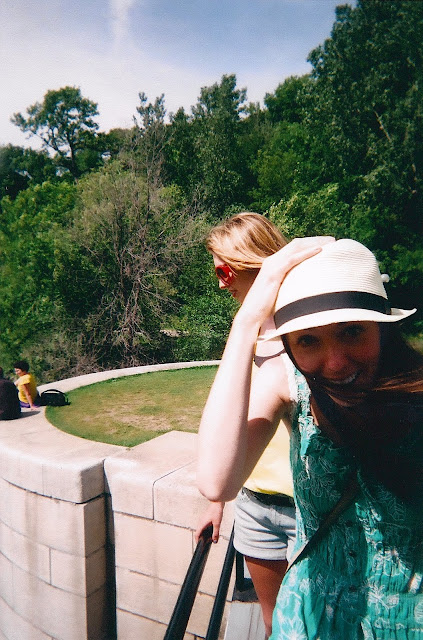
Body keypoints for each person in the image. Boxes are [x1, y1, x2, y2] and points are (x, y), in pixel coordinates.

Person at [197, 237, 423, 639]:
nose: (335, 363)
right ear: (288, 346)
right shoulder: (289, 382)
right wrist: (246, 322)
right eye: (308, 340)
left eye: (351, 332)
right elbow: (217, 481)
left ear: (383, 328)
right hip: (311, 618)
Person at [195, 212, 296, 638]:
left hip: (309, 510)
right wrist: (218, 502)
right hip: (255, 506)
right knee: (274, 622)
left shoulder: (308, 333)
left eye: (224, 271)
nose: (221, 284)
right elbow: (231, 421)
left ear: (255, 261)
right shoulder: (246, 336)